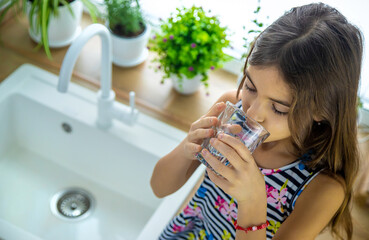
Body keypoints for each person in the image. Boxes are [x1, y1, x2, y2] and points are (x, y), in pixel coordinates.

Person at [150, 2, 363, 240]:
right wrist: (187, 148)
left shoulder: (323, 188)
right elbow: (159, 188)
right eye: (250, 86)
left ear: (322, 111)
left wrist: (252, 200)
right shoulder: (230, 109)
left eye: (279, 108)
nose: (251, 113)